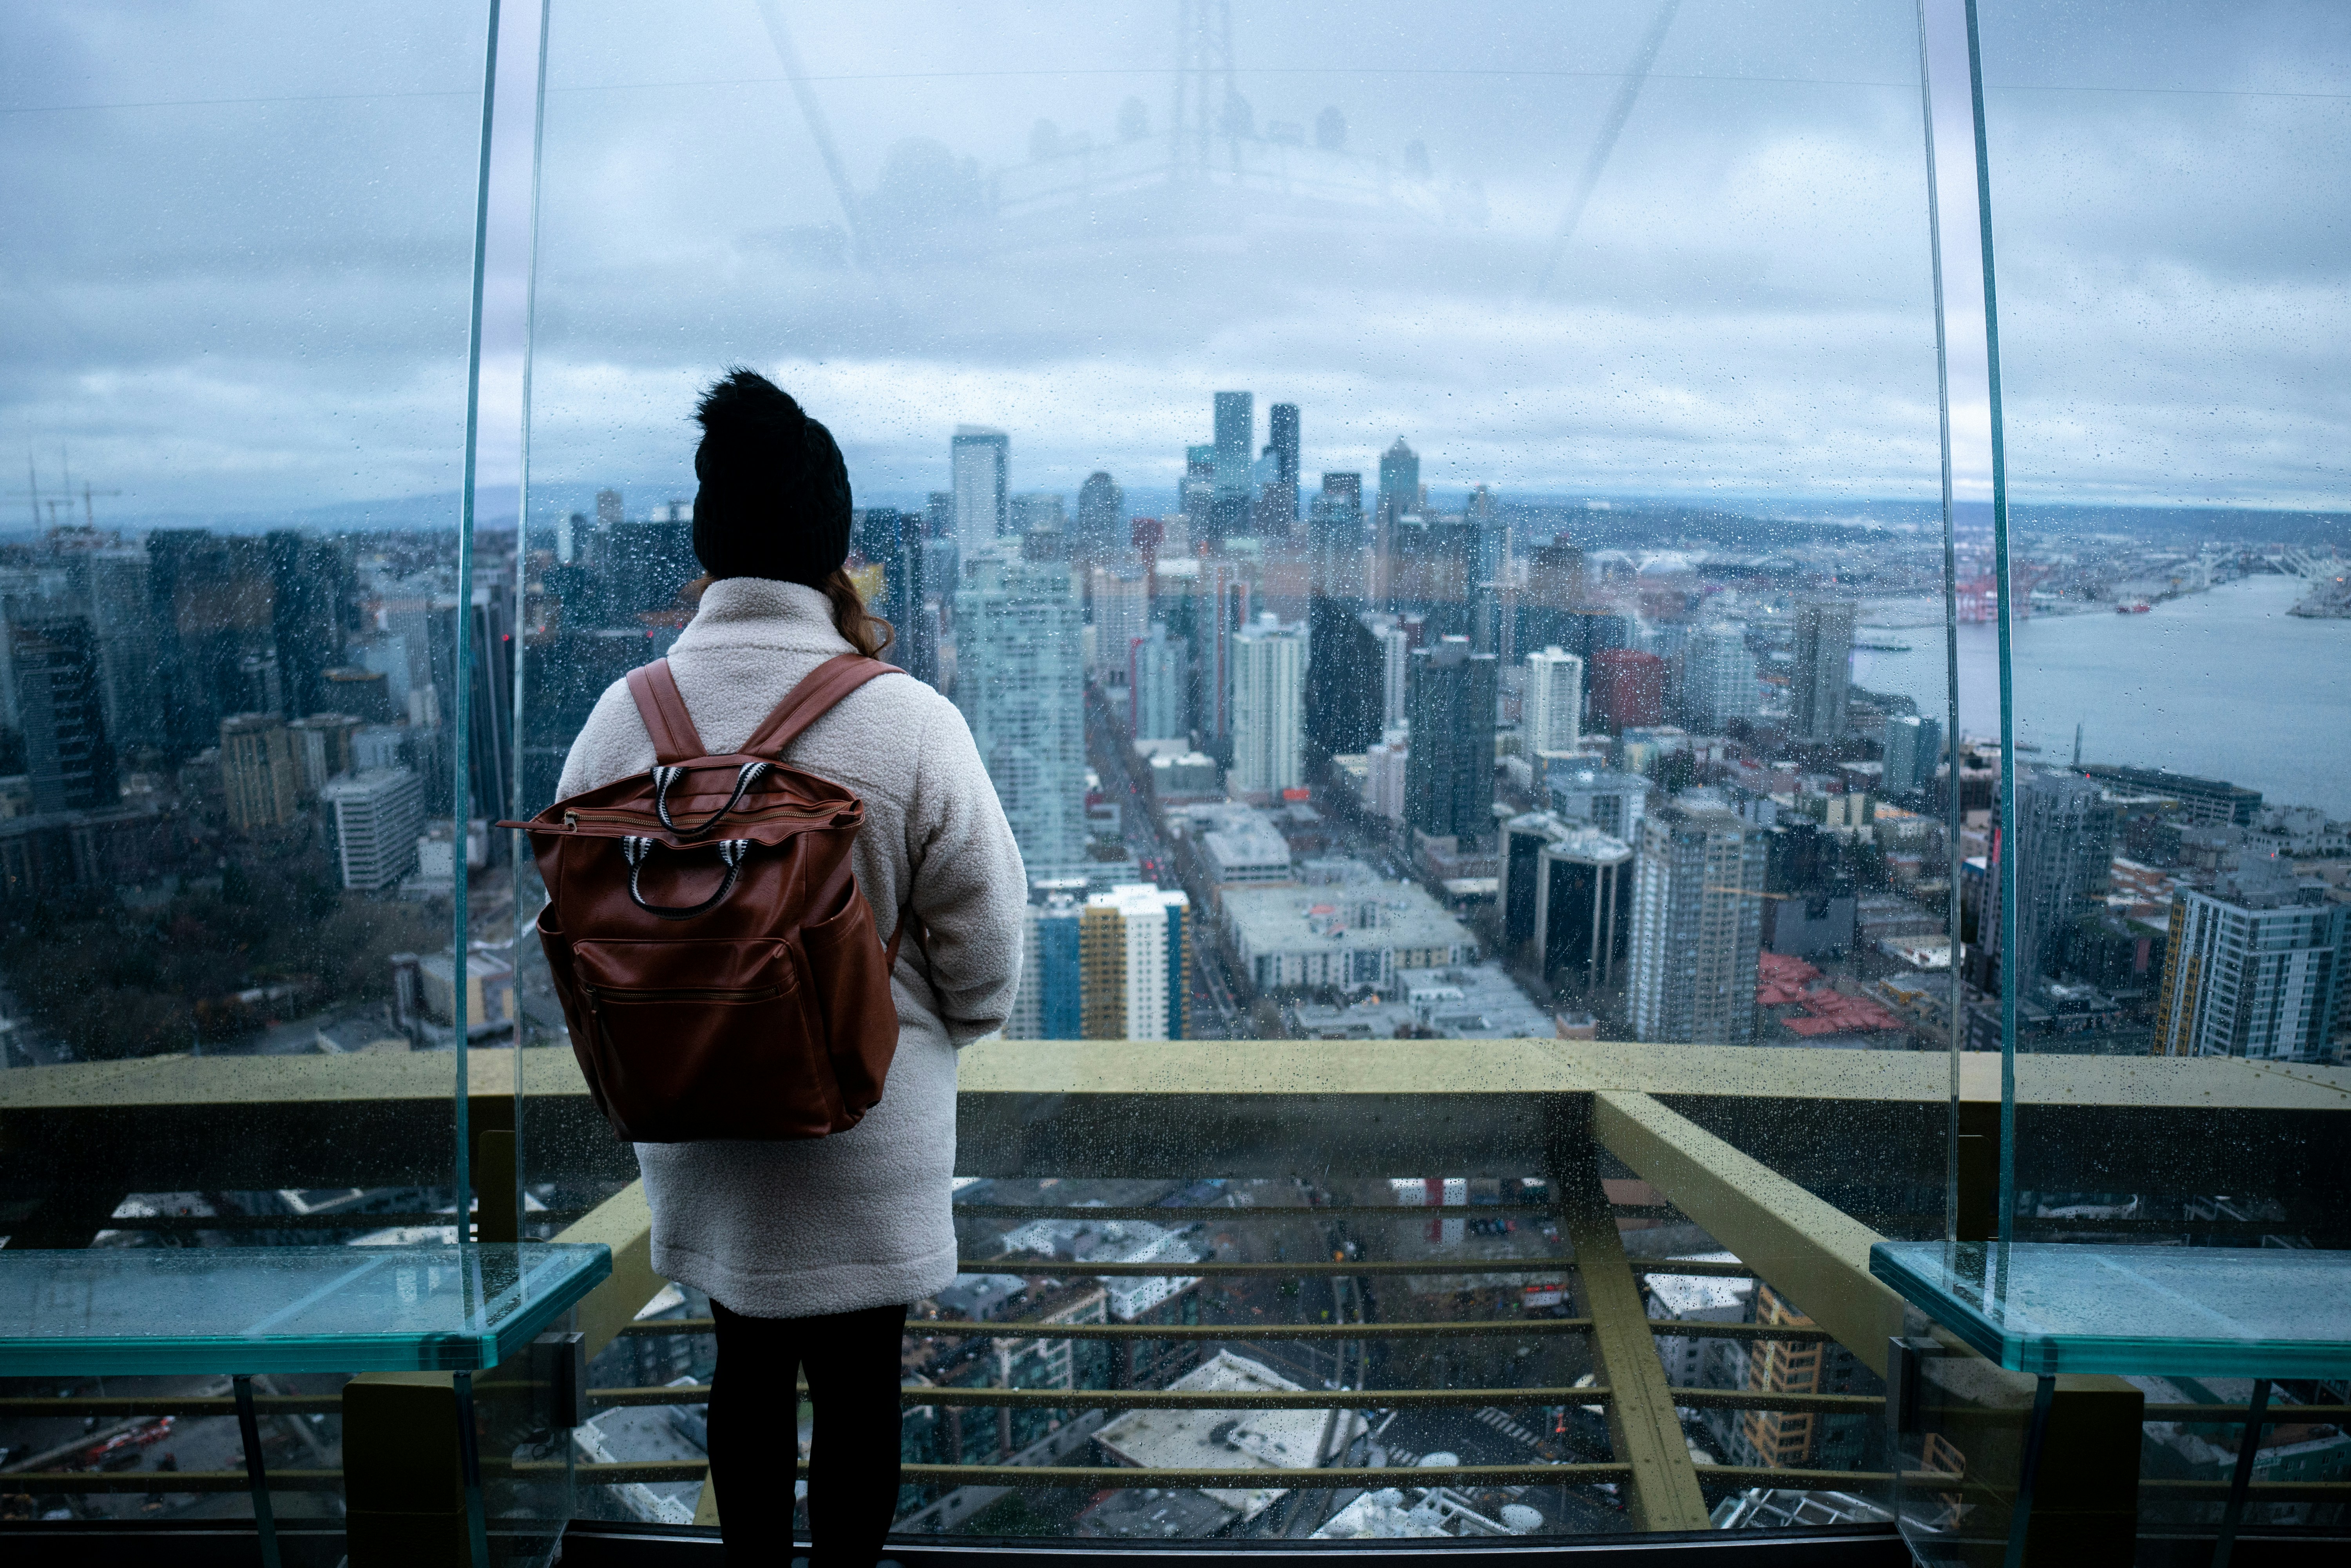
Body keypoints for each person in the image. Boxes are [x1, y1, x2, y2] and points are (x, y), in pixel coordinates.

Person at [556, 368, 1026, 1565]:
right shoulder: (910, 721)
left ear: (707, 541)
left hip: (699, 1122)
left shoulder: (621, 719)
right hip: (871, 1127)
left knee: (743, 1378)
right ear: (838, 549)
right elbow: (987, 962)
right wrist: (920, 1010)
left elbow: (577, 923)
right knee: (864, 1397)